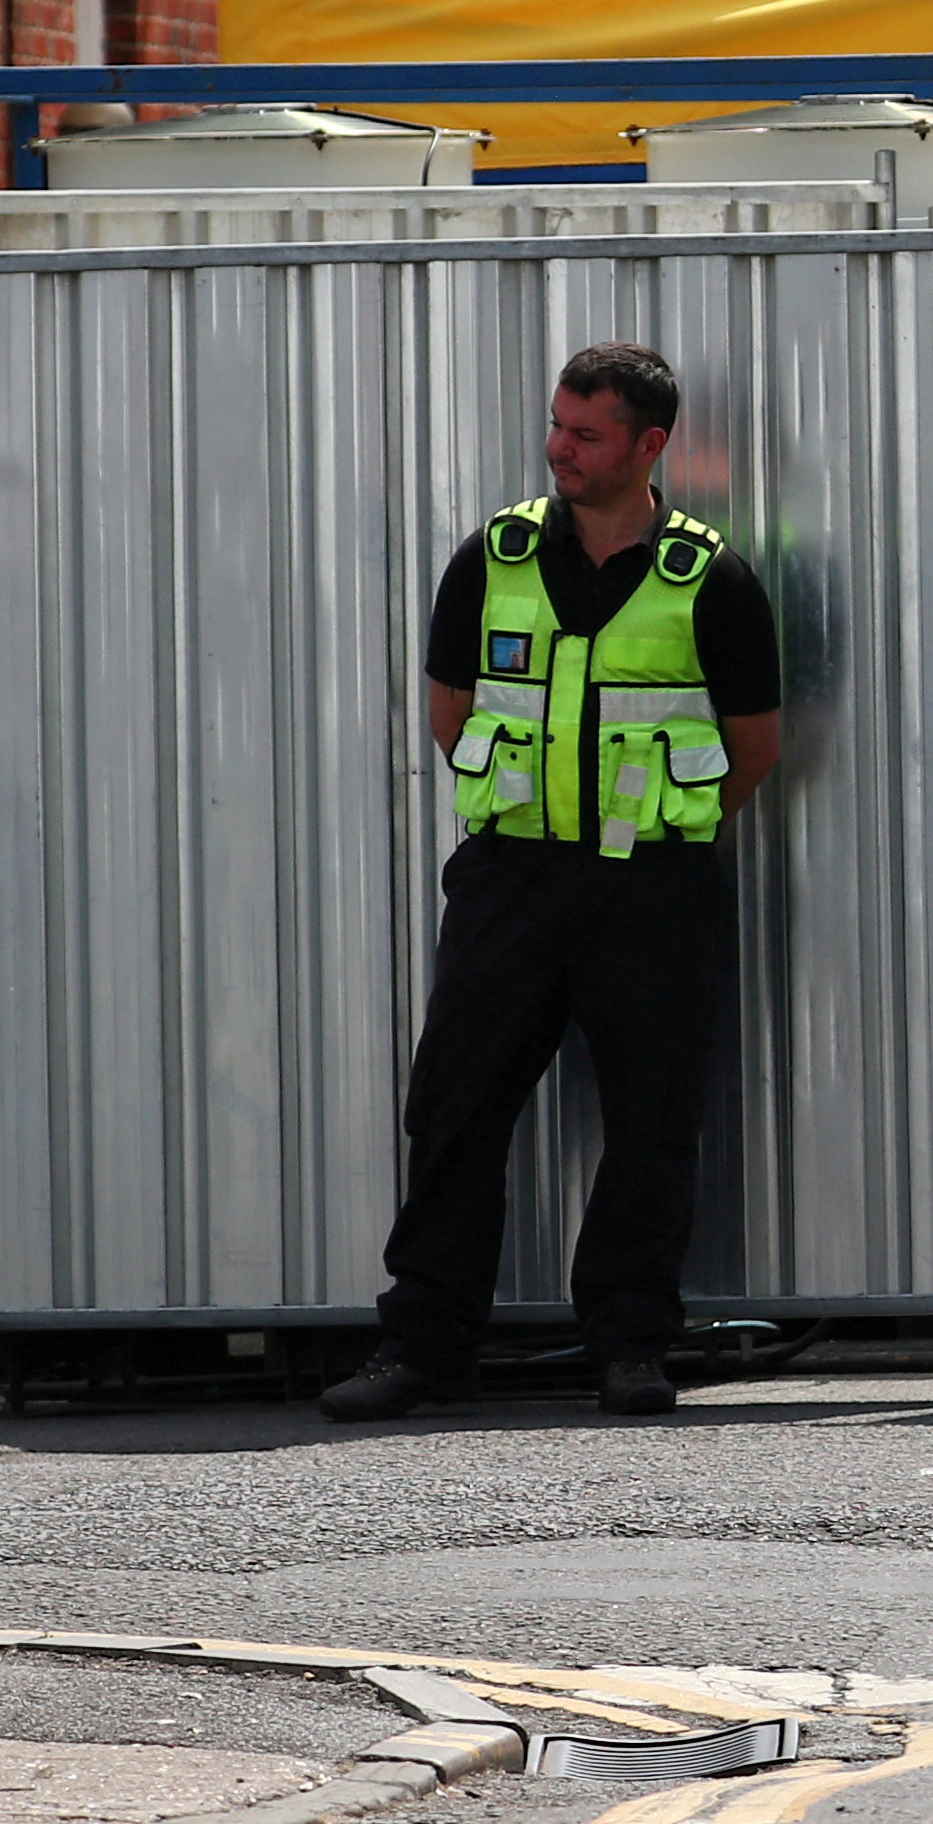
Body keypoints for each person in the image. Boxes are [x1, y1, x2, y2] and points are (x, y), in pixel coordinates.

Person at [320, 344, 785, 1425]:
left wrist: (652, 828)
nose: (559, 450)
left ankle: (629, 1346)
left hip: (652, 890)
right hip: (511, 883)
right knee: (454, 1111)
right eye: (556, 427)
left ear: (648, 445)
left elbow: (753, 746)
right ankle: (423, 1349)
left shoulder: (711, 579)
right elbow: (449, 715)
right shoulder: (494, 557)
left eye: (586, 434)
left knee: (650, 1121)